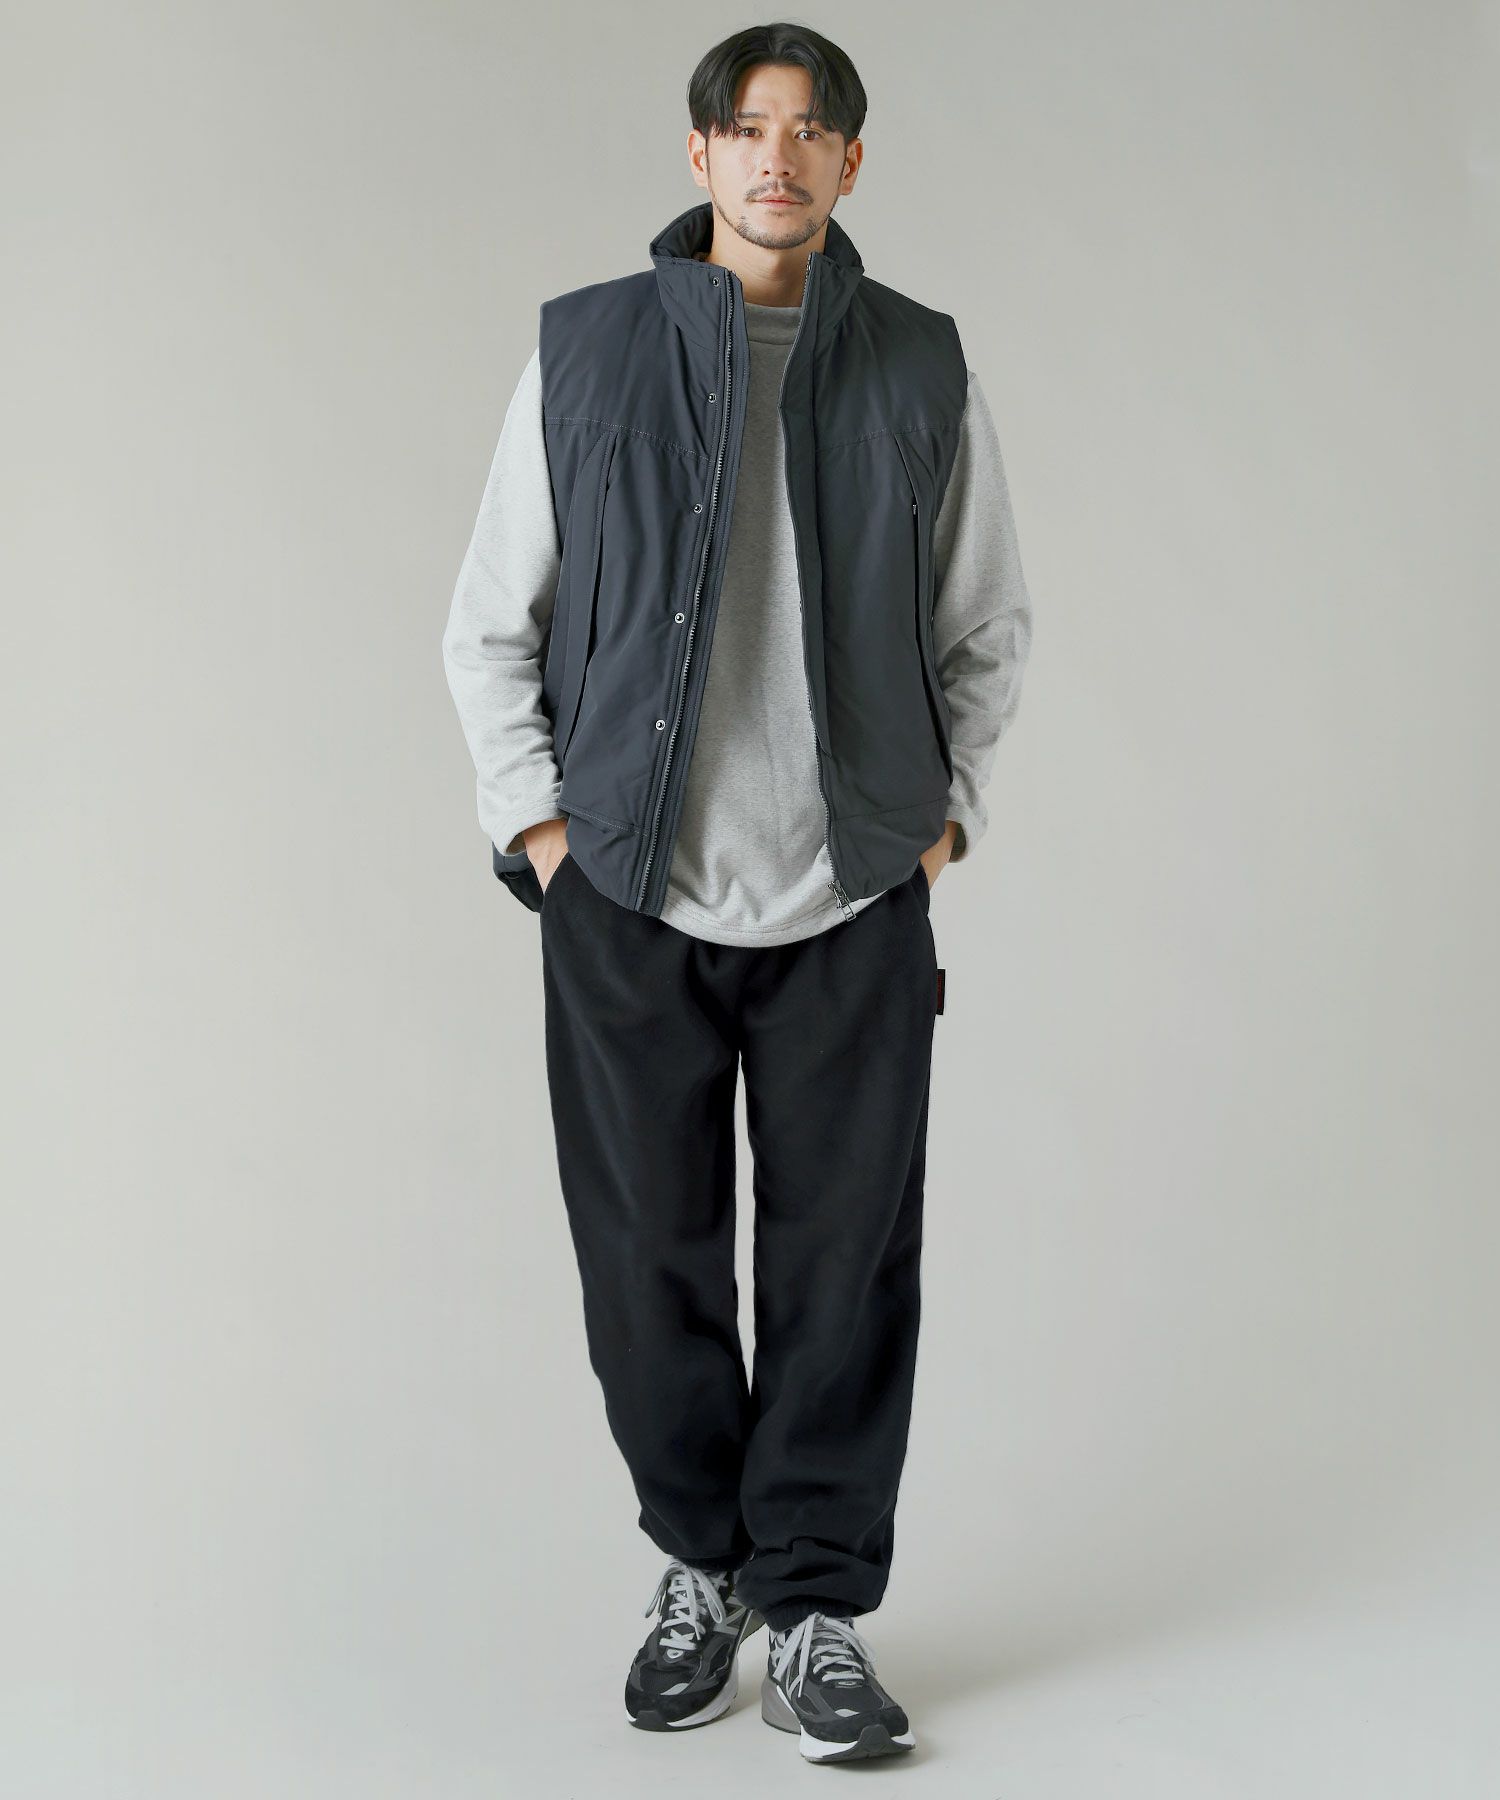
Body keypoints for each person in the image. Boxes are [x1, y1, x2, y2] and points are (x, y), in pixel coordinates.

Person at [442, 22, 1032, 1767]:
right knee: (648, 1267)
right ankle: (703, 1573)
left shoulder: (917, 364)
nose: (780, 156)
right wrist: (546, 840)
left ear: (852, 162)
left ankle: (822, 1610)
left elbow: (987, 625)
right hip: (629, 898)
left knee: (848, 1272)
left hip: (850, 903)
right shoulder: (588, 350)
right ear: (699, 153)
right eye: (749, 127)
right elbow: (490, 622)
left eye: (811, 129)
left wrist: (942, 829)